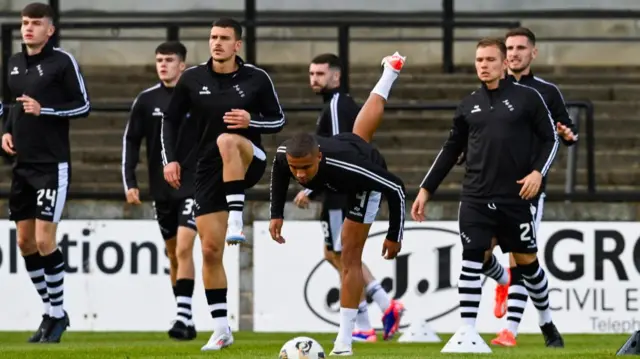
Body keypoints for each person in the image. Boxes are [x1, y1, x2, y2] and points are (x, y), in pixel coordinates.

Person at [412, 38, 564, 349]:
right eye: (479, 60)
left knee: (529, 266)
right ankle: (467, 330)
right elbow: (450, 149)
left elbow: (551, 140)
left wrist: (538, 172)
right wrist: (426, 189)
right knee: (472, 260)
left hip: (516, 198)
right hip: (475, 198)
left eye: (490, 60)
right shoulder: (468, 105)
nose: (483, 65)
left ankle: (546, 321)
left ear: (505, 64)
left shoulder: (529, 98)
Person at [269, 52, 407, 356]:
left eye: (306, 168)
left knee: (348, 257)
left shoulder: (352, 168)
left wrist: (395, 234)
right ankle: (390, 72)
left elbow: (396, 188)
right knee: (361, 131)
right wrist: (276, 214)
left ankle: (346, 341)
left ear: (317, 157)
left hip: (360, 180)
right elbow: (279, 175)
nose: (300, 175)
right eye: (296, 169)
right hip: (347, 145)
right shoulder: (285, 156)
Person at [160, 17, 285, 351]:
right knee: (210, 251)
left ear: (237, 44)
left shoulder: (256, 79)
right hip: (207, 169)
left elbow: (278, 119)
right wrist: (169, 159)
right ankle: (221, 329)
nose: (217, 43)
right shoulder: (192, 79)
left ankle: (236, 215)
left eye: (224, 38)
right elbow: (170, 120)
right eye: (213, 37)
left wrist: (251, 120)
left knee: (228, 140)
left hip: (249, 157)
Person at [0, 2, 90, 343]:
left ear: (49, 30)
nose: (28, 28)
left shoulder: (62, 62)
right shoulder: (13, 63)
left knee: (43, 240)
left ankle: (55, 314)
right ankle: (53, 313)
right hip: (21, 166)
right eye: (25, 22)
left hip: (52, 165)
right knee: (24, 242)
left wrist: (45, 109)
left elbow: (83, 105)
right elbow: (10, 104)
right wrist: (6, 130)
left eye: (36, 23)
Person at [488, 27, 577, 347]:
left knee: (519, 257)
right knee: (482, 252)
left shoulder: (546, 91)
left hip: (527, 187)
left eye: (520, 48)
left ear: (533, 53)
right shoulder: (492, 87)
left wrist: (568, 134)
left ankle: (513, 329)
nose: (513, 53)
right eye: (509, 48)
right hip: (491, 184)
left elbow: (569, 130)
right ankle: (505, 285)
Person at [121, 41, 199, 341]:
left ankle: (181, 317)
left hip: (194, 184)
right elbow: (131, 141)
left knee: (183, 247)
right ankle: (187, 317)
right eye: (159, 60)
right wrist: (130, 182)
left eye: (169, 60)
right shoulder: (146, 100)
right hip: (161, 188)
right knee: (173, 254)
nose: (163, 65)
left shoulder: (196, 96)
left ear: (182, 64)